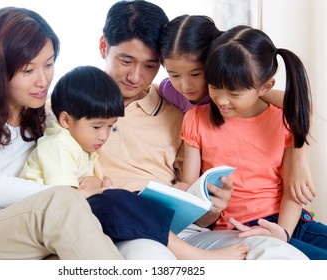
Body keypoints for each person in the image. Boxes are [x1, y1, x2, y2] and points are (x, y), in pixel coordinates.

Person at [94, 0, 308, 260]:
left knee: (284, 254)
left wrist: (298, 157)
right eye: (126, 61)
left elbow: (294, 104)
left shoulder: (193, 110)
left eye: (150, 65)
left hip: (193, 223)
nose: (136, 77)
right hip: (119, 215)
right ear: (104, 47)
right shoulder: (75, 105)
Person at [0, 7, 122, 260]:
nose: (43, 81)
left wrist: (93, 184)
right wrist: (71, 195)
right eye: (28, 70)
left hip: (15, 234)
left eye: (49, 64)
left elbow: (66, 165)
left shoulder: (43, 117)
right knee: (60, 204)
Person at [20, 65, 249, 260]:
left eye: (110, 126)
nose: (104, 136)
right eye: (98, 127)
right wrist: (103, 190)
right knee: (120, 198)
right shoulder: (59, 145)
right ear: (66, 120)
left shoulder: (79, 143)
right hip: (45, 222)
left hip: (65, 217)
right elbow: (63, 199)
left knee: (129, 200)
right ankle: (198, 257)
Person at [179, 24, 327, 259]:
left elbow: (291, 190)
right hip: (243, 228)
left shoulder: (281, 119)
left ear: (266, 87)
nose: (222, 100)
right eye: (215, 87)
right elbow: (190, 189)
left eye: (235, 93)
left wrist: (284, 233)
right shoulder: (196, 119)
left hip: (292, 222)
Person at [158, 14, 316, 206]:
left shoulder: (231, 93)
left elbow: (300, 104)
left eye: (196, 74)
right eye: (174, 74)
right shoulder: (169, 90)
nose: (185, 86)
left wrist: (299, 160)